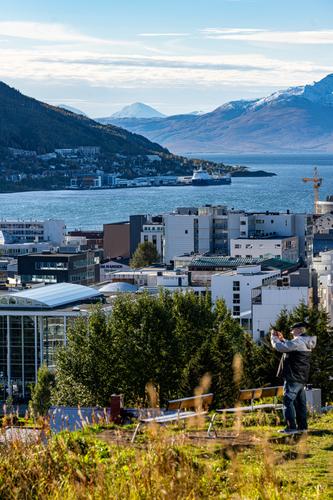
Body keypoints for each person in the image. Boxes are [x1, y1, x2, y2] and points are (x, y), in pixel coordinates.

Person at [271, 322, 317, 434]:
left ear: (299, 330)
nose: (291, 332)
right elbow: (290, 346)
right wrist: (282, 339)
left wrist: (274, 338)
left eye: (293, 330)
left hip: (293, 377)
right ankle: (302, 427)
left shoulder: (299, 341)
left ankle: (291, 427)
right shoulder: (305, 341)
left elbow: (280, 348)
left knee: (287, 401)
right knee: (300, 403)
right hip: (301, 377)